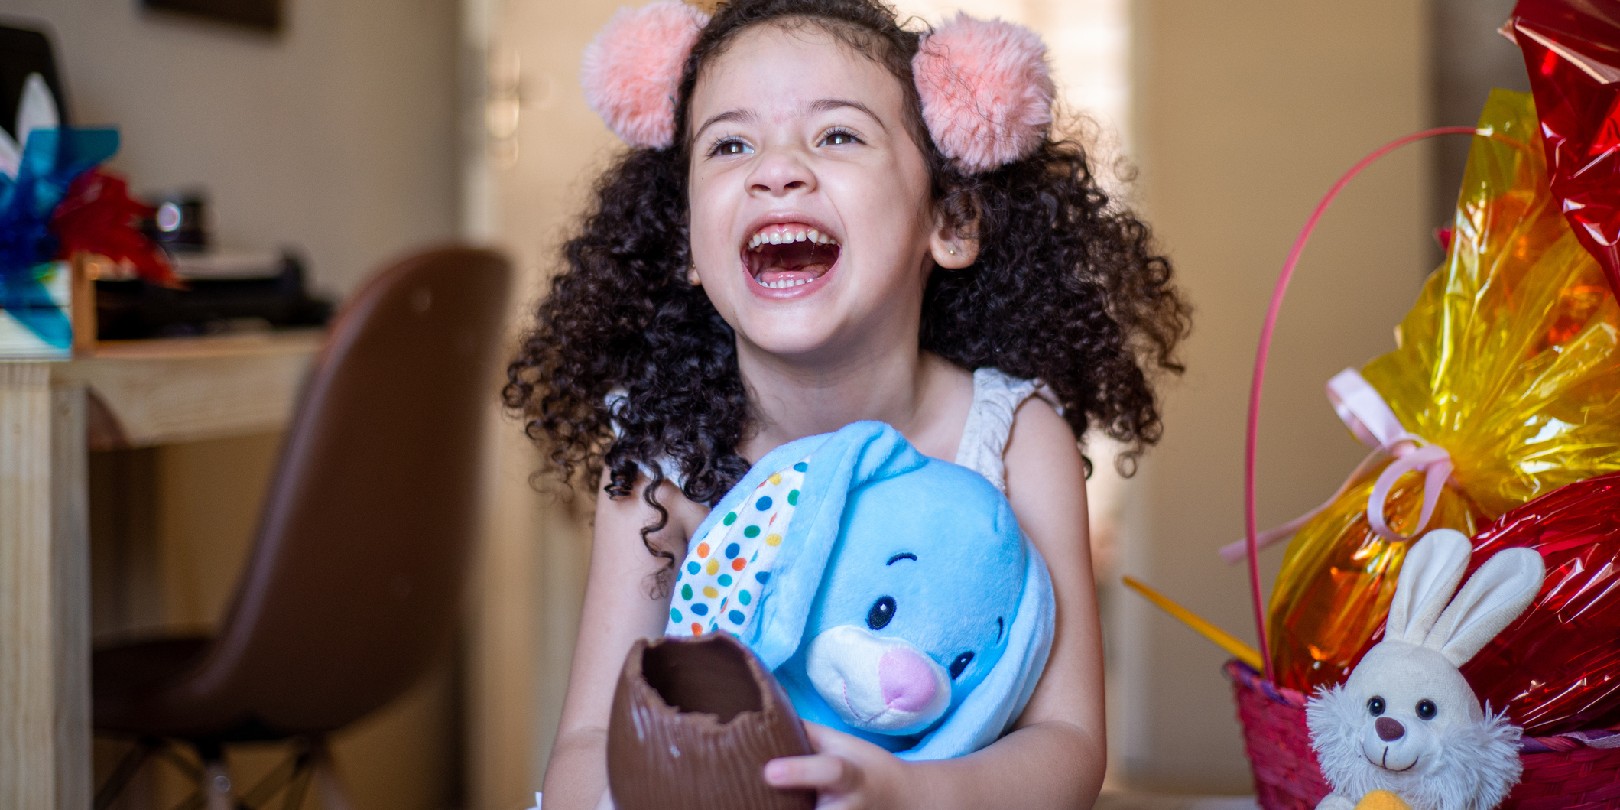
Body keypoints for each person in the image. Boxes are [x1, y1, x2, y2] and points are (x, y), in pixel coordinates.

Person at [504, 0, 1191, 806]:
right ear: (686, 242)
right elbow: (588, 743)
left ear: (950, 219)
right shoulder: (665, 463)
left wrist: (907, 795)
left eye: (837, 134)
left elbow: (1067, 747)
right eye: (729, 143)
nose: (776, 168)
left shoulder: (1010, 437)